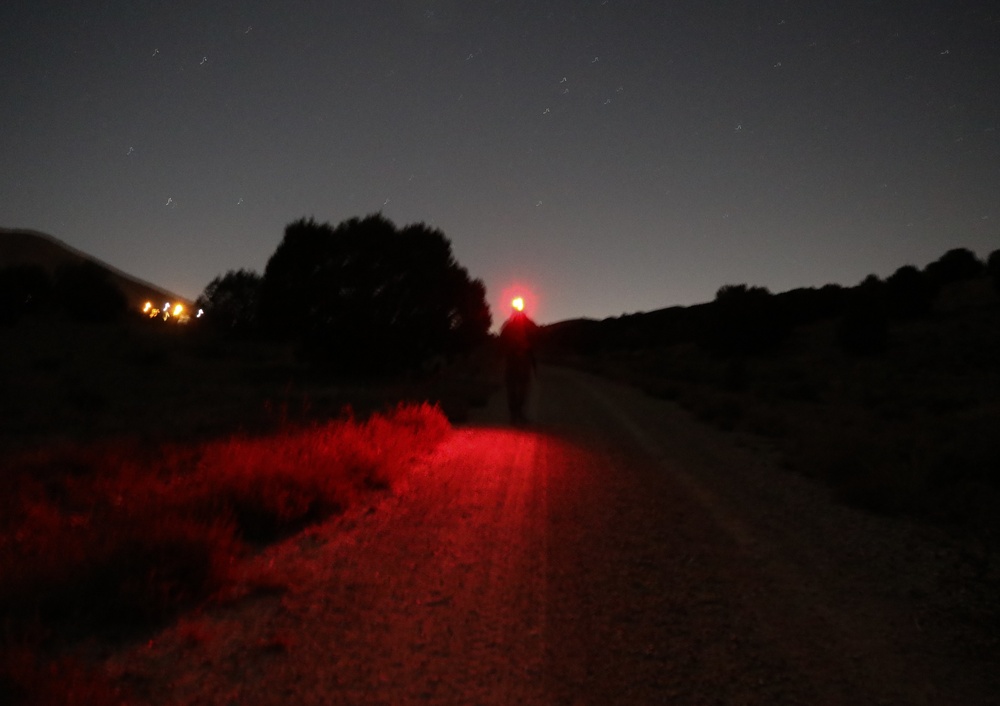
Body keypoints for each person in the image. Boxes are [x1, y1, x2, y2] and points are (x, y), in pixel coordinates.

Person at [498, 301, 538, 424]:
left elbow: (536, 338)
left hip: (522, 362)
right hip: (514, 361)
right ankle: (515, 415)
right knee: (514, 389)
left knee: (520, 389)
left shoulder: (527, 325)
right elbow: (502, 342)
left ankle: (517, 414)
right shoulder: (509, 326)